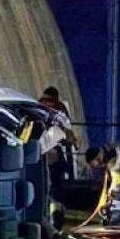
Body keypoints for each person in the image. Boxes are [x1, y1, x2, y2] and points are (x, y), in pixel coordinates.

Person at [38, 87, 78, 229]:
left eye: (48, 100)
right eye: (44, 100)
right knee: (51, 190)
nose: (46, 103)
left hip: (48, 158)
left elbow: (68, 136)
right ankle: (52, 220)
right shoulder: (53, 112)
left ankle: (54, 220)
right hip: (45, 158)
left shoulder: (53, 113)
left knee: (54, 191)